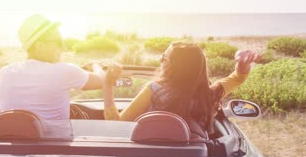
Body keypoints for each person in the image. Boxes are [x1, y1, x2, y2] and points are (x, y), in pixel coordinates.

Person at [102, 42, 262, 133]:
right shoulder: (211, 94)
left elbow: (117, 124)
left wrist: (107, 84)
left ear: (172, 66)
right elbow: (237, 78)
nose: (160, 61)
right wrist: (242, 65)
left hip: (150, 155)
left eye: (163, 57)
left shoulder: (153, 90)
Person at [0, 14, 104, 122]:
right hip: (56, 139)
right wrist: (96, 65)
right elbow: (102, 81)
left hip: (11, 138)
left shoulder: (5, 71)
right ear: (40, 46)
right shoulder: (63, 71)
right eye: (59, 42)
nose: (64, 47)